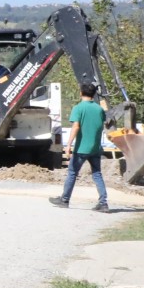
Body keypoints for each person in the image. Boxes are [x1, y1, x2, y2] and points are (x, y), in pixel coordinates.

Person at [50, 81, 110, 213]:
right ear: (94, 94)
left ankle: (64, 200)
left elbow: (76, 126)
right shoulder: (99, 109)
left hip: (81, 148)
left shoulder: (78, 108)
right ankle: (103, 203)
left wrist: (68, 145)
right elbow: (101, 126)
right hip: (95, 148)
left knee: (72, 172)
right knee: (97, 174)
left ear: (81, 93)